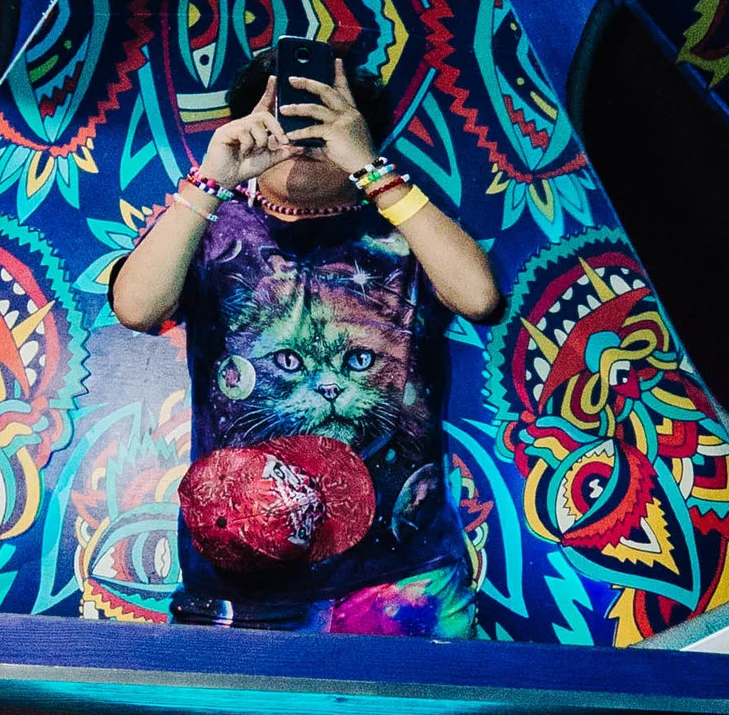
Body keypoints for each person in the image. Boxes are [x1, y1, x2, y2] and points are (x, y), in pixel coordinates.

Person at [108, 46, 503, 634]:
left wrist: (370, 168)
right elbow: (137, 308)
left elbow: (480, 299)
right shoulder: (209, 230)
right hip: (240, 580)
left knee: (418, 701)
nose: (300, 136)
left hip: (403, 580)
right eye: (284, 115)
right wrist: (212, 177)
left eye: (321, 118)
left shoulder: (409, 227)